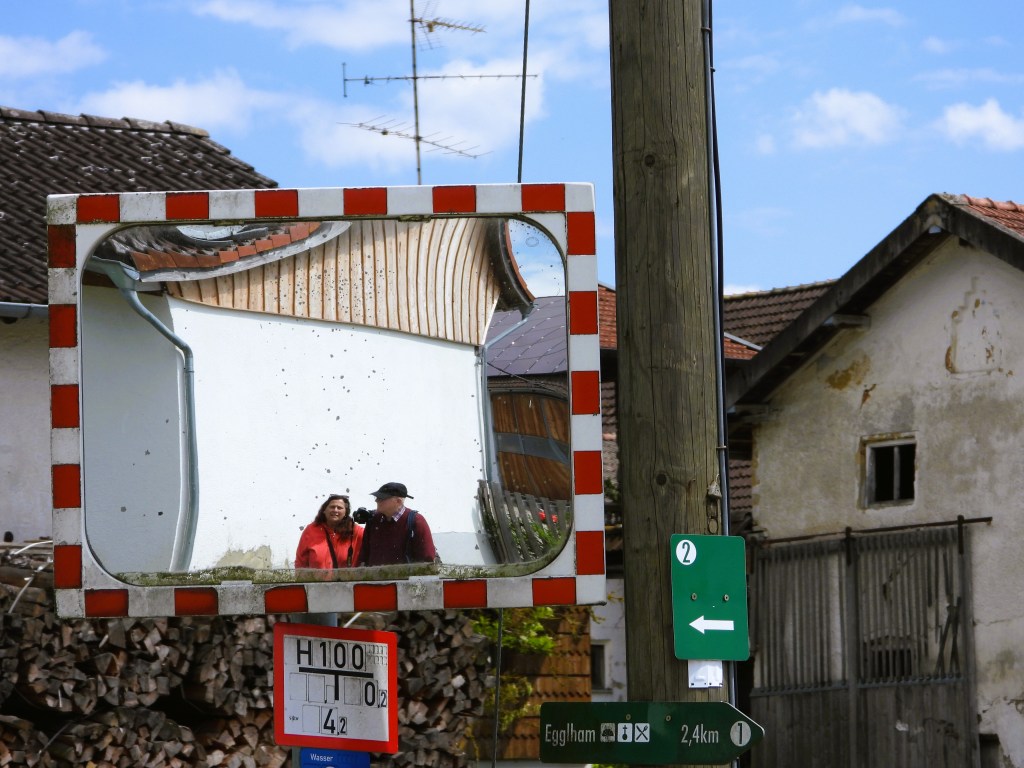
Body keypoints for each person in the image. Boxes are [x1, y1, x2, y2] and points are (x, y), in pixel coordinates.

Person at [357, 482, 437, 566]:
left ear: (398, 501)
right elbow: (363, 556)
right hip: (374, 574)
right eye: (376, 497)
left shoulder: (416, 521)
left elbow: (427, 560)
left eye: (381, 498)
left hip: (404, 574)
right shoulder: (373, 521)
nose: (376, 500)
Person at [295, 494, 364, 569]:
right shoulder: (311, 530)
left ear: (345, 513)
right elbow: (300, 561)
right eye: (332, 507)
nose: (335, 510)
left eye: (339, 508)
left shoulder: (355, 532)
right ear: (324, 510)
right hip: (316, 576)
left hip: (347, 577)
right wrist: (300, 575)